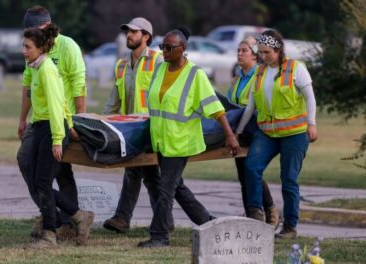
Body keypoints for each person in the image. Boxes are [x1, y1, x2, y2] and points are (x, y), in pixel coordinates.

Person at [137, 27, 241, 248]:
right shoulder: (159, 70)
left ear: (182, 49)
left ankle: (160, 237)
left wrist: (229, 135)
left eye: (169, 47)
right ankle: (207, 222)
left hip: (180, 142)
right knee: (177, 187)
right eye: (162, 47)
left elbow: (215, 108)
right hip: (162, 140)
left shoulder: (195, 74)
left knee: (166, 189)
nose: (164, 51)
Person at [236, 30, 317, 239]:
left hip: (295, 133)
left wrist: (312, 124)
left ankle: (290, 227)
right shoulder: (260, 72)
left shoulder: (295, 68)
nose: (263, 57)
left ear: (278, 49)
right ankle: (256, 215)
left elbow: (310, 98)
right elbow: (250, 107)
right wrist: (237, 132)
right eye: (261, 53)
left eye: (267, 52)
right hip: (268, 133)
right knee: (251, 167)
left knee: (288, 179)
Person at [17, 5, 87, 240]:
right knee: (27, 162)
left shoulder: (66, 48)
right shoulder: (34, 56)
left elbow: (78, 84)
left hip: (59, 122)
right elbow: (28, 86)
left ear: (46, 27)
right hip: (39, 121)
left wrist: (78, 121)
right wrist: (22, 119)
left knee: (59, 173)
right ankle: (54, 215)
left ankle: (67, 221)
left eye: (35, 31)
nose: (25, 46)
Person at [102, 17, 170, 233]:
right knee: (148, 175)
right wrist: (102, 122)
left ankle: (124, 218)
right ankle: (163, 221)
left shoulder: (159, 61)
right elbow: (114, 99)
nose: (128, 35)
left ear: (146, 36)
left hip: (151, 127)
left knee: (138, 172)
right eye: (127, 32)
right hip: (130, 129)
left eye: (134, 32)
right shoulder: (121, 63)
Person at [228, 36, 279, 228]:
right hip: (239, 130)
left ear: (255, 55)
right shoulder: (236, 79)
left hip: (256, 129)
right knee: (244, 173)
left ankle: (268, 212)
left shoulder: (262, 75)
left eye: (244, 50)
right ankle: (253, 212)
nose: (239, 54)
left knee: (251, 171)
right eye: (238, 51)